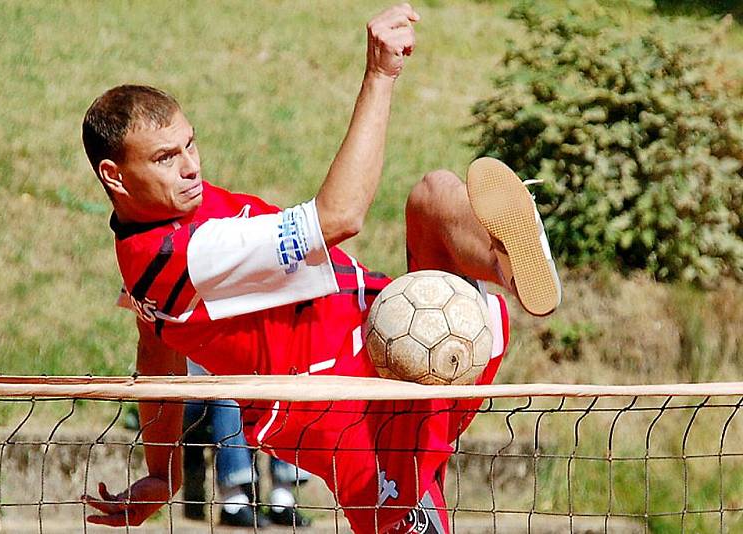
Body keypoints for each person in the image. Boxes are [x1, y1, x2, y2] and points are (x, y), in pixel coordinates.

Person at [80, 4, 561, 533]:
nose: (192, 165)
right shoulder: (185, 255)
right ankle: (499, 274)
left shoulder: (156, 244)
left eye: (190, 143)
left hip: (393, 322)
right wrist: (379, 74)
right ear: (115, 176)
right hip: (339, 409)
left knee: (435, 197)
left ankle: (511, 261)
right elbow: (340, 216)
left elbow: (157, 347)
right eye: (166, 157)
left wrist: (161, 470)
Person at [182, 360, 313, 527]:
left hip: (248, 390)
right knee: (228, 397)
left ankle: (282, 499)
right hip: (193, 396)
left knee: (283, 390)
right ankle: (233, 502)